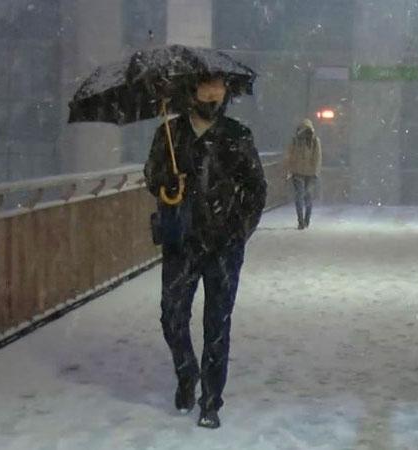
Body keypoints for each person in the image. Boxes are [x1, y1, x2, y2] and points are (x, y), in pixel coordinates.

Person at [143, 74, 267, 429]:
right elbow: (152, 176)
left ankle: (211, 401)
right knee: (171, 316)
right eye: (206, 85)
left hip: (224, 247)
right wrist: (168, 179)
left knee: (217, 324)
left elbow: (256, 188)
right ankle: (186, 373)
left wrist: (239, 231)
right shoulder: (170, 134)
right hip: (181, 242)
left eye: (220, 86)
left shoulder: (236, 135)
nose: (214, 92)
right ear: (191, 90)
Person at [283, 119, 322, 229]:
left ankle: (303, 220)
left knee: (302, 196)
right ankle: (303, 220)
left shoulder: (307, 141)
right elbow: (317, 158)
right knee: (305, 196)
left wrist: (289, 168)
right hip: (303, 173)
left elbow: (289, 155)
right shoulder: (312, 140)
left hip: (300, 172)